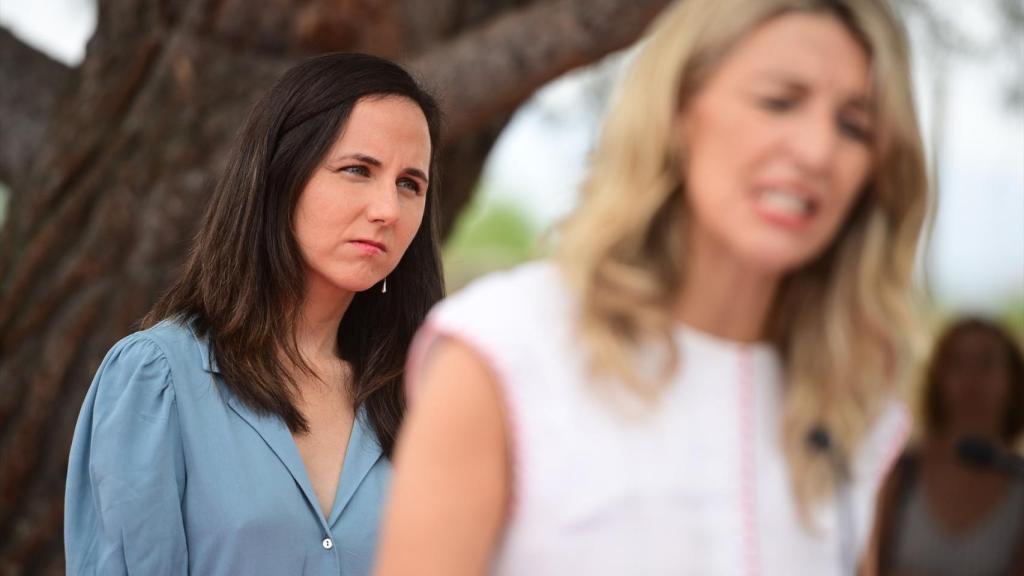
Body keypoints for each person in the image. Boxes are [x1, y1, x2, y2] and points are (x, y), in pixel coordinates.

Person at [376, 0, 929, 574]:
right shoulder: (506, 350)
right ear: (680, 107)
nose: (817, 151)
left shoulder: (856, 402)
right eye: (779, 102)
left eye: (855, 125)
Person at [64, 52, 444, 575]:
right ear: (279, 176)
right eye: (357, 170)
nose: (388, 209)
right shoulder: (158, 378)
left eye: (410, 184)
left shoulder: (421, 395)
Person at [869, 318, 1024, 576]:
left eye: (986, 363)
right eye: (958, 364)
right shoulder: (901, 473)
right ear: (938, 377)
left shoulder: (1018, 481)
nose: (971, 379)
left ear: (1013, 380)